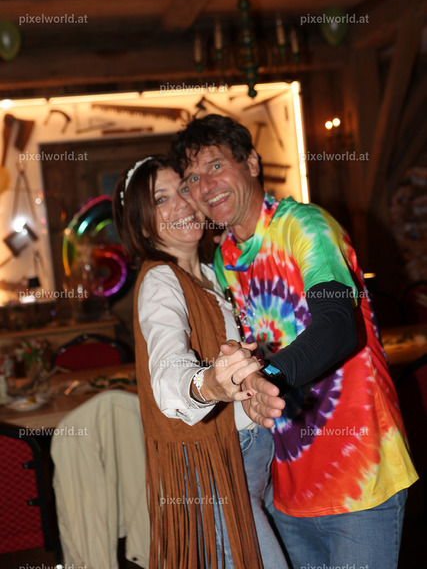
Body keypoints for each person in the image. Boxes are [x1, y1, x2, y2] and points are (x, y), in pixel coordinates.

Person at [171, 114, 419, 569]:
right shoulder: (224, 259)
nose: (204, 186)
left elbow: (339, 325)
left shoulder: (306, 226)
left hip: (360, 479)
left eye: (215, 166)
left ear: (251, 163)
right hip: (287, 491)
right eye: (191, 177)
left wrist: (268, 375)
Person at [113, 155, 288, 569]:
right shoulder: (161, 281)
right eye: (161, 199)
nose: (183, 203)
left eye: (183, 189)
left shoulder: (215, 272)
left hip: (254, 455)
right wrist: (208, 384)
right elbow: (167, 366)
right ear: (142, 225)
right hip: (217, 468)